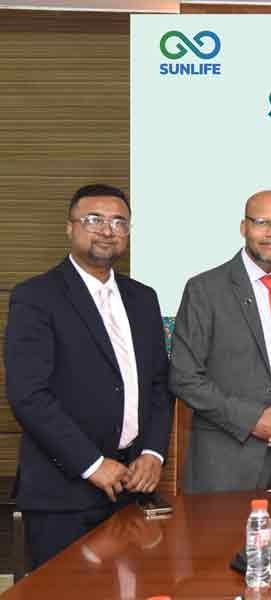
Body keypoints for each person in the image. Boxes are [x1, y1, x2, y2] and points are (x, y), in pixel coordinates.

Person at [4, 184, 173, 568]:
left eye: (119, 222)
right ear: (70, 227)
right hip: (63, 495)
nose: (107, 230)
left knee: (129, 589)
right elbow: (29, 395)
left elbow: (159, 386)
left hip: (131, 489)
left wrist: (153, 453)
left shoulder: (143, 298)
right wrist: (93, 464)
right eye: (94, 219)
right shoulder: (36, 296)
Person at [169, 190, 271, 493]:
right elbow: (184, 377)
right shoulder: (205, 289)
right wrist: (252, 420)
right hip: (227, 465)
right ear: (244, 227)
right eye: (262, 222)